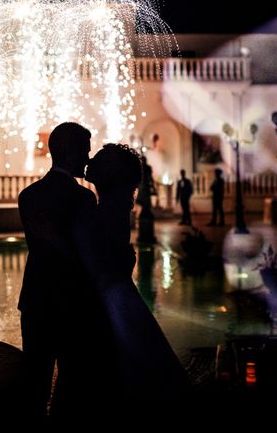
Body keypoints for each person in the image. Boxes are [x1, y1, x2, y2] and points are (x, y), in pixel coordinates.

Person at [73, 144, 191, 421]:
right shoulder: (116, 203)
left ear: (108, 174)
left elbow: (103, 258)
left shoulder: (104, 209)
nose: (90, 160)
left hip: (108, 298)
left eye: (98, 159)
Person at [17, 122, 98, 423]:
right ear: (66, 151)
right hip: (72, 303)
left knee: (34, 379)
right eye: (84, 151)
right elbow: (86, 255)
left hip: (36, 300)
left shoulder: (28, 196)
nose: (87, 158)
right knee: (71, 379)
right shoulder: (84, 199)